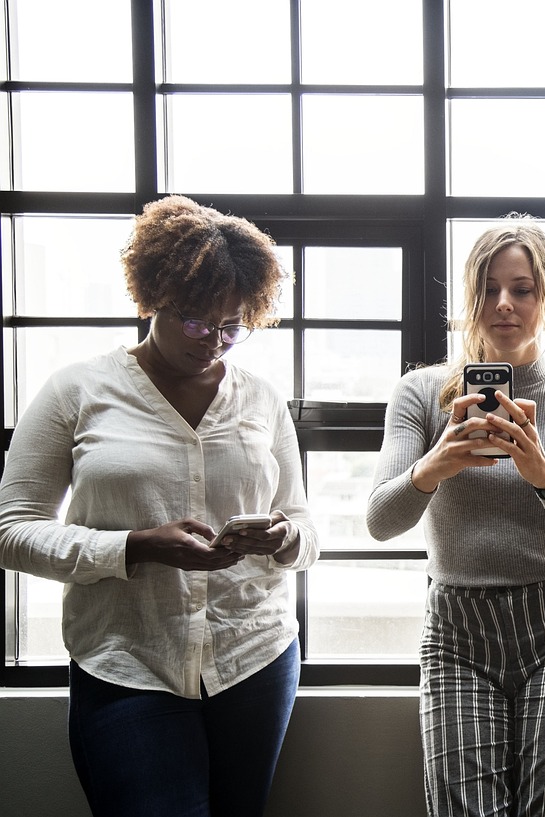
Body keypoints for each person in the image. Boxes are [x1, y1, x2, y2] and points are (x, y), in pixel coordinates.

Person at [0, 195, 319, 817]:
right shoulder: (78, 390)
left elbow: (305, 529)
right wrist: (133, 547)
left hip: (254, 656)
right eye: (197, 320)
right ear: (152, 297)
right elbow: (11, 531)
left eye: (233, 326)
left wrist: (280, 538)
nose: (215, 341)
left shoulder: (261, 398)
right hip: (128, 661)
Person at [366, 215, 545, 817]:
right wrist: (436, 463)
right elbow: (381, 520)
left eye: (523, 289)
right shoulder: (421, 393)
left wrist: (544, 476)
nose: (504, 304)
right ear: (468, 298)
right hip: (457, 623)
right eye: (487, 288)